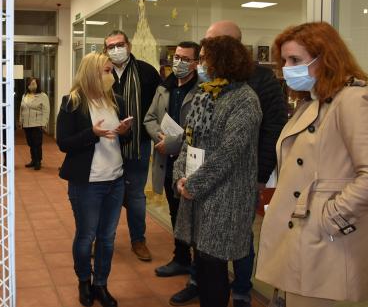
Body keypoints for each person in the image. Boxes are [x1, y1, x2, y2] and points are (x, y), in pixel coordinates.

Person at [170, 21, 288, 306]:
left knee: (215, 264)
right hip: (197, 193)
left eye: (203, 59)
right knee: (206, 262)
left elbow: (229, 152)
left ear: (221, 60)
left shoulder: (245, 99)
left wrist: (192, 184)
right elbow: (189, 141)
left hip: (226, 196)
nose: (199, 65)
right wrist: (179, 177)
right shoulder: (204, 93)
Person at [256, 22, 368, 307]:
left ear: (326, 58)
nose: (287, 67)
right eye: (284, 60)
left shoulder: (352, 99)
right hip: (300, 231)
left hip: (321, 236)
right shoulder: (314, 101)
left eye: (296, 60)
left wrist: (331, 216)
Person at [56, 52, 133, 307]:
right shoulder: (73, 102)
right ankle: (84, 282)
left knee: (108, 238)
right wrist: (92, 133)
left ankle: (101, 284)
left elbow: (124, 141)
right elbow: (63, 143)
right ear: (92, 73)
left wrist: (124, 132)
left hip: (115, 181)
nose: (111, 75)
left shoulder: (116, 101)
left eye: (112, 71)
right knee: (86, 236)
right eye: (107, 71)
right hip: (87, 183)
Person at [143, 41, 200, 279]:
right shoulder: (163, 88)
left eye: (186, 59)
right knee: (175, 212)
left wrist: (174, 143)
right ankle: (181, 259)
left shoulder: (202, 90)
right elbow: (149, 118)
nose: (179, 62)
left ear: (196, 63)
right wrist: (161, 139)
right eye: (176, 57)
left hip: (192, 164)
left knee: (193, 216)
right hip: (166, 161)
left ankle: (199, 268)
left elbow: (199, 130)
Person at [104, 29, 160, 261]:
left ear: (128, 45)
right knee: (107, 195)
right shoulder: (102, 72)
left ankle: (138, 240)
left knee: (136, 196)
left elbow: (159, 107)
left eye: (120, 44)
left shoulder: (147, 72)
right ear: (105, 50)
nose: (116, 50)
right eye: (111, 46)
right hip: (106, 146)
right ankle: (105, 238)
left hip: (138, 145)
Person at [18, 77, 50, 170]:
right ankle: (33, 160)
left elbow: (46, 110)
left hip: (37, 123)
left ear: (37, 85)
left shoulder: (42, 96)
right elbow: (21, 109)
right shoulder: (25, 95)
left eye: (33, 84)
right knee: (30, 143)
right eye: (30, 84)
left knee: (37, 143)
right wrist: (20, 121)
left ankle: (38, 161)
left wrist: (44, 123)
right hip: (26, 124)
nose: (31, 86)